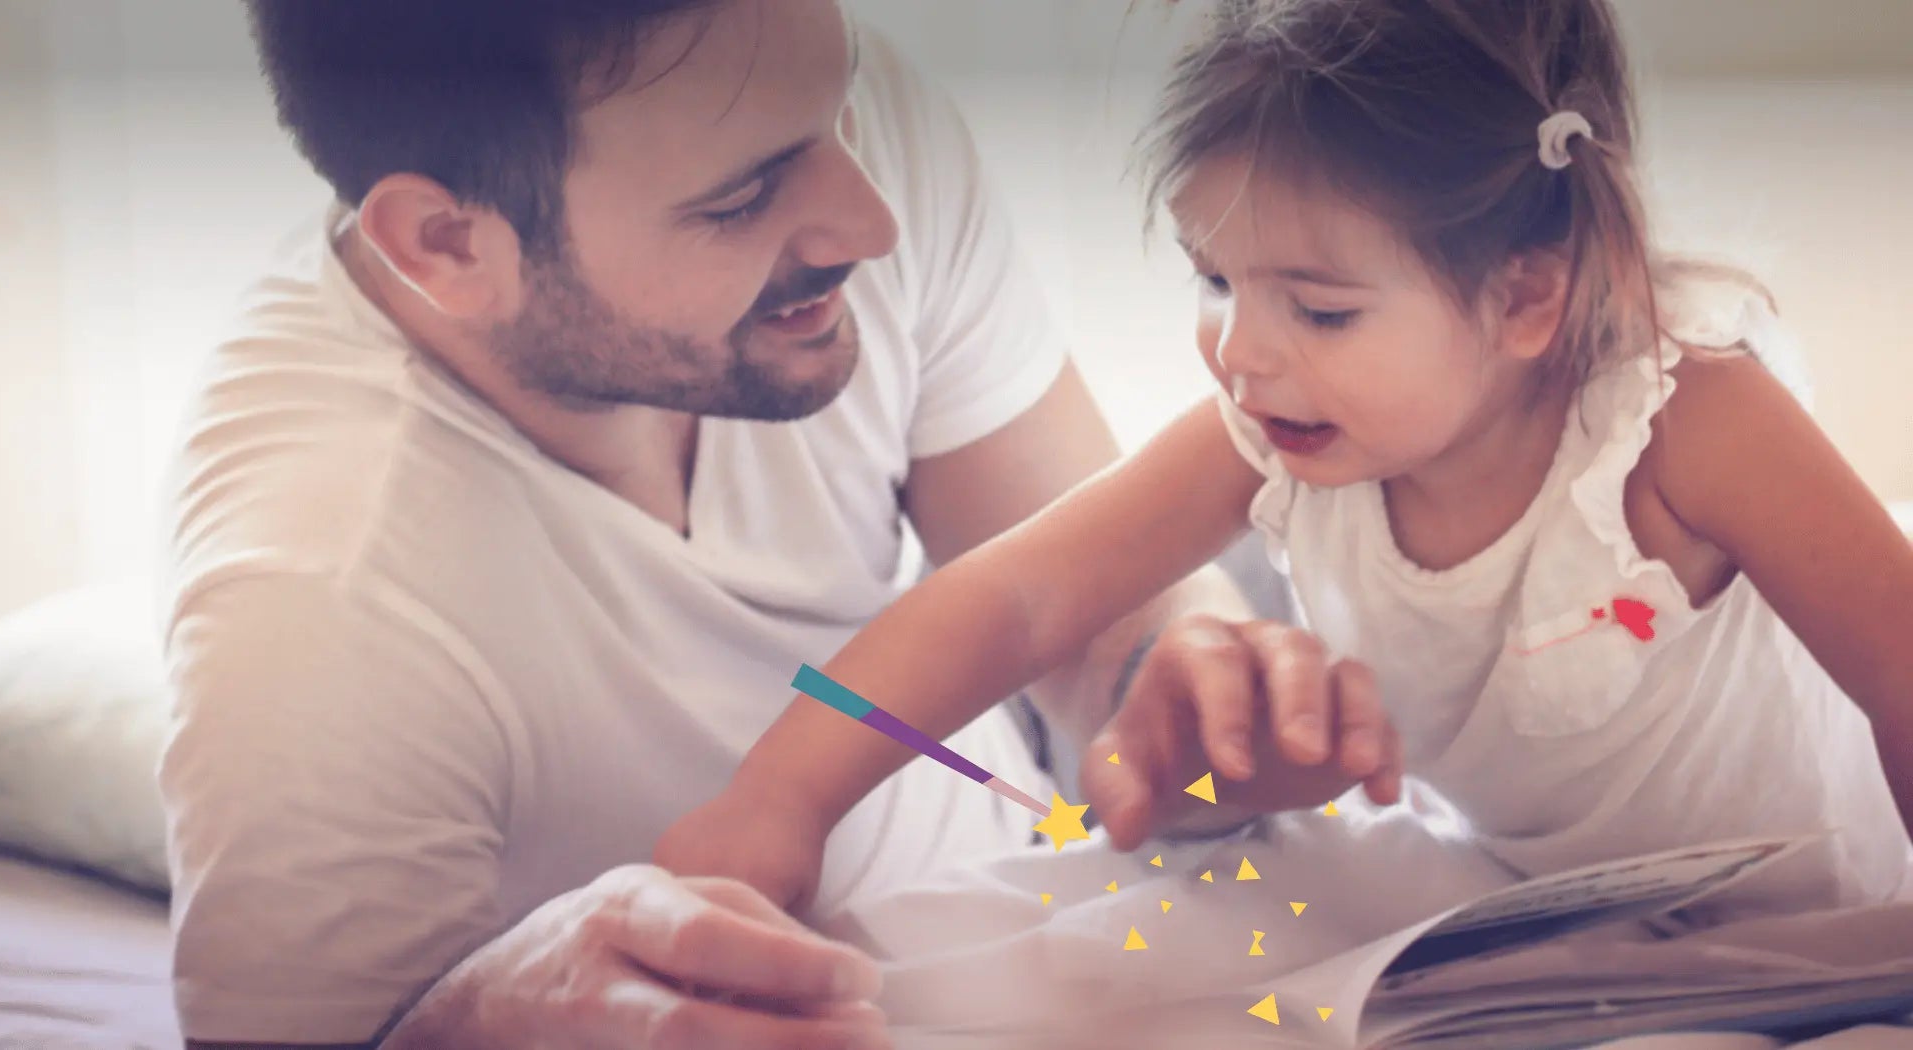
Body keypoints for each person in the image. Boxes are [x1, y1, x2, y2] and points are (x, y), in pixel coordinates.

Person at [159, 1, 1394, 1047]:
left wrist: (1183, 684)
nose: (869, 220)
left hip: (1062, 939)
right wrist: (476, 1019)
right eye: (742, 197)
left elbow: (1082, 586)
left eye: (842, 105)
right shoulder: (315, 606)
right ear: (445, 244)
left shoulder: (790, 119)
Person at [657, 0, 1913, 927]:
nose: (1240, 353)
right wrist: (783, 797)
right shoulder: (1272, 423)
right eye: (1213, 279)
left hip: (1808, 913)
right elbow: (1013, 595)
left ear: (1527, 296)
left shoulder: (1684, 414)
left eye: (1317, 309)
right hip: (1524, 915)